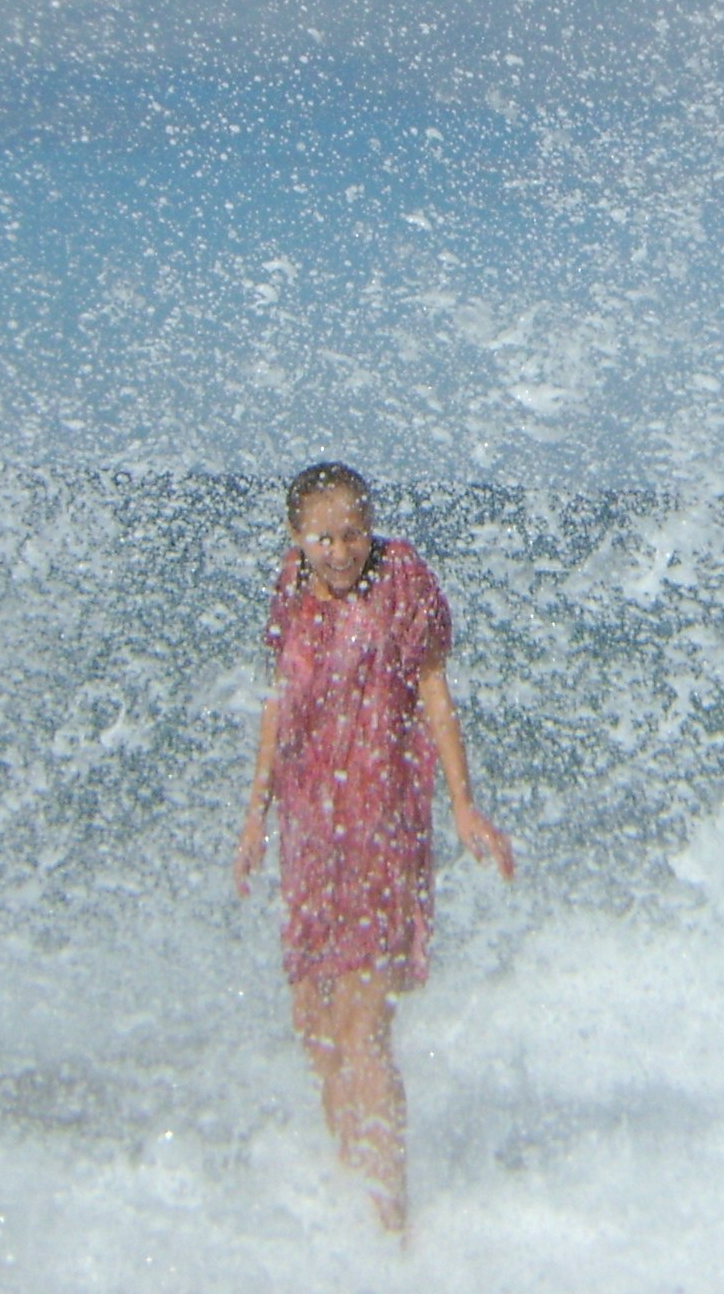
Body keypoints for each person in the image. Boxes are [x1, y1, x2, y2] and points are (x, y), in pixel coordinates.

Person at [234, 461, 514, 1234]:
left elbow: (434, 694)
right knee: (314, 1025)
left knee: (362, 1027)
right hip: (309, 831)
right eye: (323, 537)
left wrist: (463, 805)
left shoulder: (401, 580)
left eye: (352, 533)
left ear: (371, 527)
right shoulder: (290, 585)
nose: (339, 550)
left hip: (382, 826)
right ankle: (349, 1195)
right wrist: (255, 816)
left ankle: (393, 1227)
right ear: (296, 537)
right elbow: (279, 703)